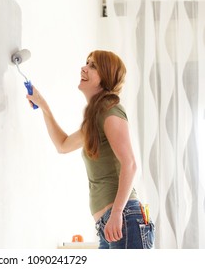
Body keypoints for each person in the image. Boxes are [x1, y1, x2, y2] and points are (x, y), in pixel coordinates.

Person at [26, 50, 155, 249]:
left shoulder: (111, 110)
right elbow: (63, 145)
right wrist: (44, 106)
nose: (83, 68)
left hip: (123, 218)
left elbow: (130, 164)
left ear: (106, 77)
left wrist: (117, 213)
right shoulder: (95, 118)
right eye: (86, 63)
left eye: (92, 65)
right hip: (109, 223)